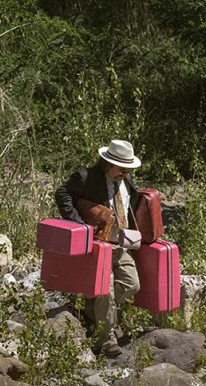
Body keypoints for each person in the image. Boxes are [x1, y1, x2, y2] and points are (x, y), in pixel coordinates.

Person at [55, 139, 143, 358]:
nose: (125, 171)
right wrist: (80, 225)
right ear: (107, 163)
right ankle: (106, 340)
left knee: (131, 284)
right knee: (105, 291)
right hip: (97, 244)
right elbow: (62, 195)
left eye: (128, 168)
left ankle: (91, 314)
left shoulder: (126, 180)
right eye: (121, 167)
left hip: (119, 244)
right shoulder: (85, 177)